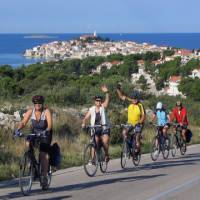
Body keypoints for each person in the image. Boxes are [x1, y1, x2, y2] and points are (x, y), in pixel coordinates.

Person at [14, 95, 52, 189]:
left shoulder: (46, 111)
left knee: (43, 154)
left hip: (45, 134)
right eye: (35, 103)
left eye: (39, 103)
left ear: (42, 103)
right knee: (27, 142)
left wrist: (46, 131)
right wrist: (18, 130)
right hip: (34, 133)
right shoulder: (31, 111)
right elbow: (23, 122)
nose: (37, 105)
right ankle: (31, 161)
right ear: (33, 104)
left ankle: (44, 177)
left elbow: (50, 125)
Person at [82, 85, 110, 162]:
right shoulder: (92, 109)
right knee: (94, 141)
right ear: (95, 101)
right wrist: (84, 123)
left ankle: (107, 155)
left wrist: (107, 92)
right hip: (95, 128)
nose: (98, 102)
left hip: (104, 127)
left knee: (105, 141)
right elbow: (85, 118)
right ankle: (93, 159)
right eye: (97, 100)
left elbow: (107, 102)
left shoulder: (102, 107)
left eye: (100, 100)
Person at [117, 86, 146, 154]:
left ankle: (137, 150)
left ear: (138, 99)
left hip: (138, 123)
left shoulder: (140, 105)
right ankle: (127, 147)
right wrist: (117, 89)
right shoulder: (129, 102)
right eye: (133, 98)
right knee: (124, 132)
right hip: (129, 123)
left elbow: (144, 115)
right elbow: (121, 96)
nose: (134, 100)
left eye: (135, 98)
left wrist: (140, 122)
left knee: (137, 137)